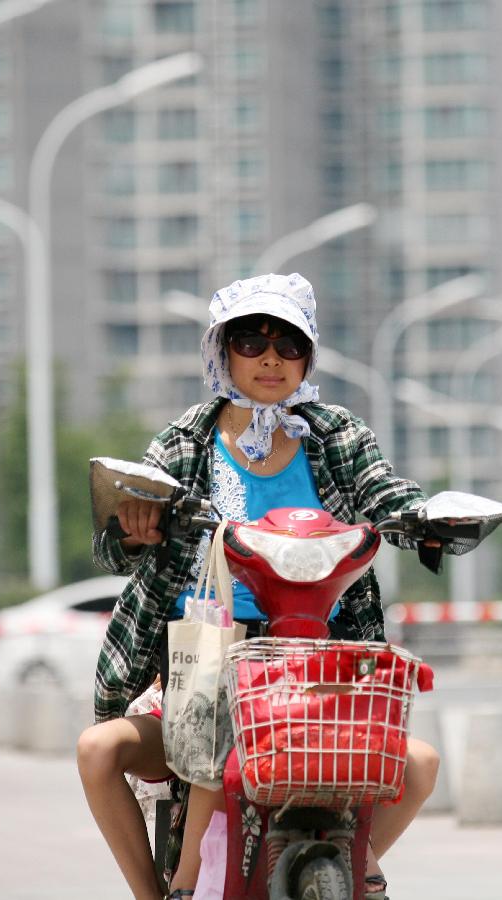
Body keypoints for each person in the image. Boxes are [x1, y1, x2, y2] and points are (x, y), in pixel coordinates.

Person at [77, 273, 441, 900]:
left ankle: (355, 865)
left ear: (309, 355)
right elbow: (116, 536)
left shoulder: (337, 436)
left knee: (419, 765)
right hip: (207, 665)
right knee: (98, 750)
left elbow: (386, 493)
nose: (270, 358)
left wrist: (430, 517)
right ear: (223, 351)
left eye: (289, 344)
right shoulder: (186, 443)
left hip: (320, 665)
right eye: (250, 341)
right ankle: (165, 892)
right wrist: (135, 530)